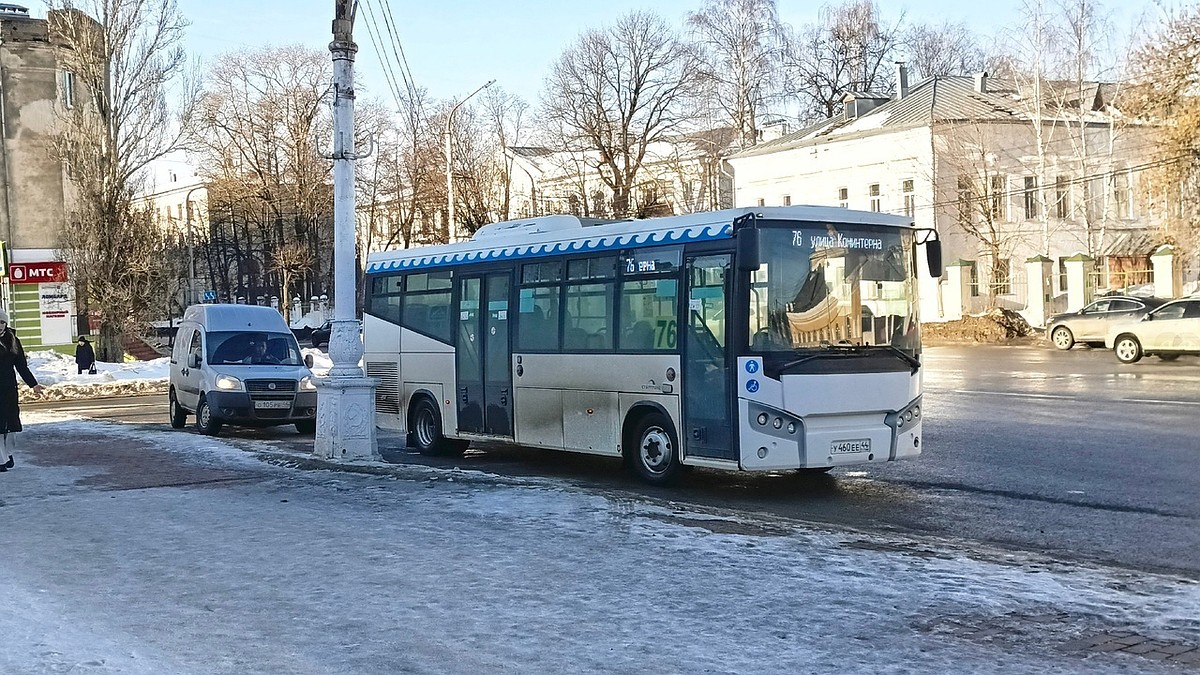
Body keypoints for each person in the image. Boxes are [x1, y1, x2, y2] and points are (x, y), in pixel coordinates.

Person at [0, 308, 45, 472]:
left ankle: (8, 453)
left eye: (2, 322)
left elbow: (21, 366)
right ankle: (1, 460)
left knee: (11, 425)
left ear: (5, 323)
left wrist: (33, 384)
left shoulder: (13, 340)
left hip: (9, 388)